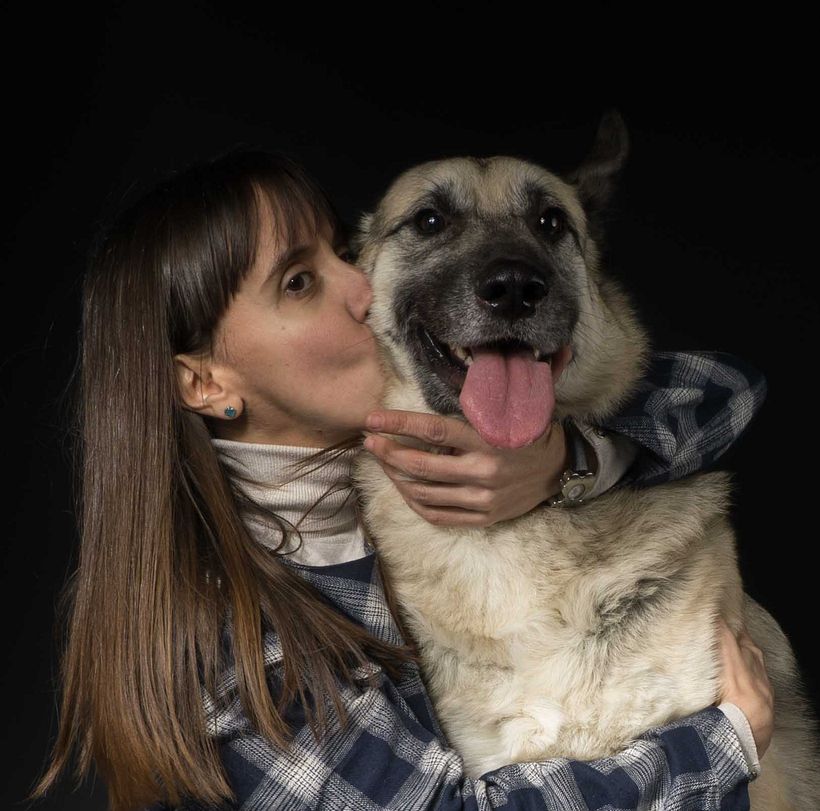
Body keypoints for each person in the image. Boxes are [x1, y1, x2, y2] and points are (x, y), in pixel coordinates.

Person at [30, 149, 773, 811]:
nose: (357, 287)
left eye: (339, 251)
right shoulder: (223, 639)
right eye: (299, 281)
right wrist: (721, 742)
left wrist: (567, 460)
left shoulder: (380, 479)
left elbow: (720, 390)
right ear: (203, 381)